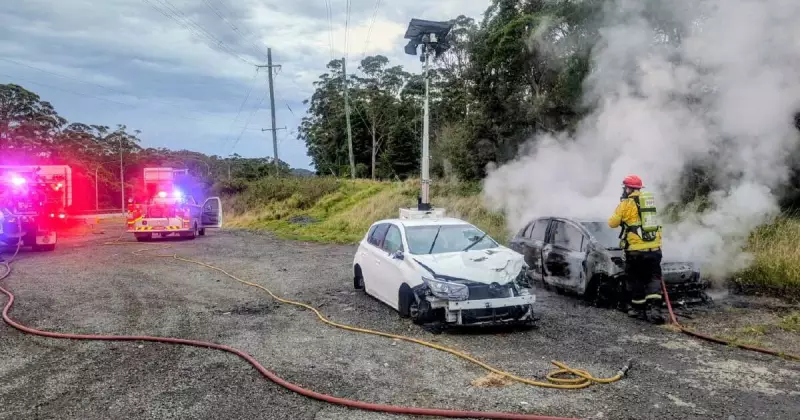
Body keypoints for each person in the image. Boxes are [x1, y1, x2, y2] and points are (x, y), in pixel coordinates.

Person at [608, 175, 665, 324]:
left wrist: (622, 213)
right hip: (654, 249)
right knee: (653, 278)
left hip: (636, 251)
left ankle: (639, 311)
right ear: (639, 189)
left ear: (628, 188)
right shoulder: (649, 203)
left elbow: (612, 223)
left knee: (636, 279)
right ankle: (655, 311)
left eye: (625, 188)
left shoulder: (625, 204)